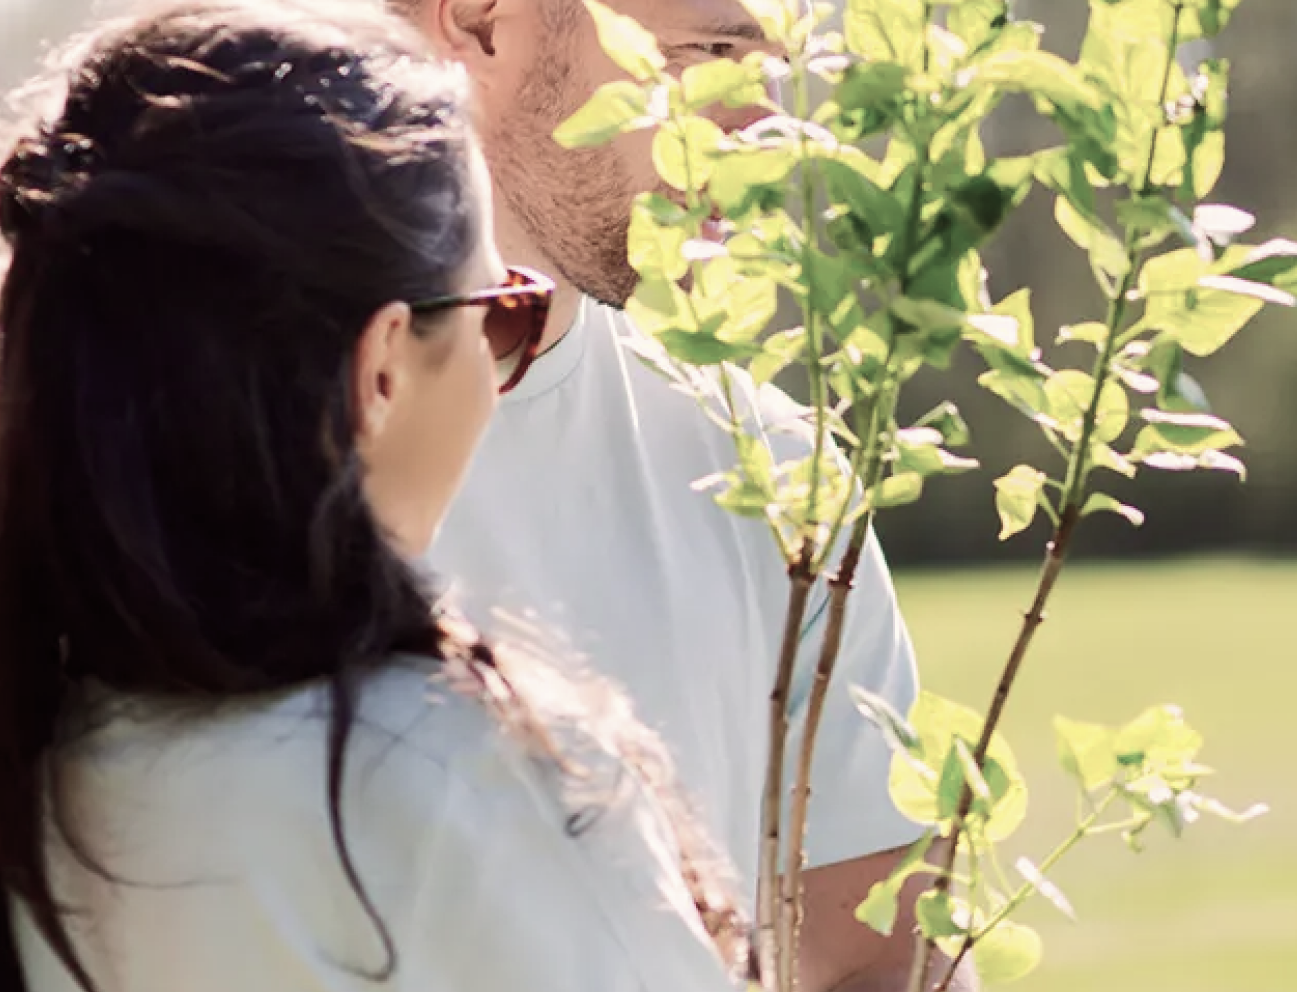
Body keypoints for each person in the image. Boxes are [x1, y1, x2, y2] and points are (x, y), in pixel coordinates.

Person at [0, 1, 749, 989]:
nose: (499, 366)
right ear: (385, 363)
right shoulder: (463, 780)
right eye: (502, 314)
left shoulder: (48, 766)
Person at [384, 0, 947, 987]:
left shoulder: (777, 473)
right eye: (711, 52)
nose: (765, 127)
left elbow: (875, 959)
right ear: (479, 25)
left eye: (775, 66)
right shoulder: (184, 442)